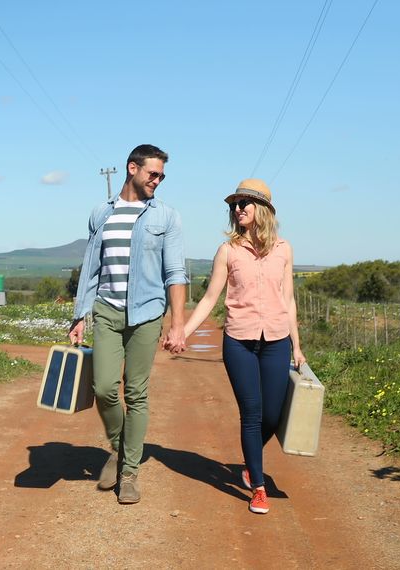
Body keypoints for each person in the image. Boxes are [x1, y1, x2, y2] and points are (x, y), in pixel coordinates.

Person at [168, 178, 306, 515]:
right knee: (252, 414)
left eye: (245, 203)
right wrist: (182, 331)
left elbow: (288, 299)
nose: (238, 209)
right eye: (234, 204)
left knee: (273, 415)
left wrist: (297, 347)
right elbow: (210, 299)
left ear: (264, 210)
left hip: (276, 340)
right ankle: (258, 487)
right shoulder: (228, 251)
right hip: (238, 342)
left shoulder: (284, 249)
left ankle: (249, 461)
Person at [68, 144, 188, 504]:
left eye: (162, 176)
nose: (158, 180)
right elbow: (91, 267)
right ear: (132, 168)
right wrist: (79, 315)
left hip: (146, 313)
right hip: (106, 310)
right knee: (103, 387)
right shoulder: (100, 214)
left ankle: (130, 472)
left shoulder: (166, 217)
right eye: (153, 173)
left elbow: (175, 272)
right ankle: (121, 448)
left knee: (135, 392)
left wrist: (177, 323)